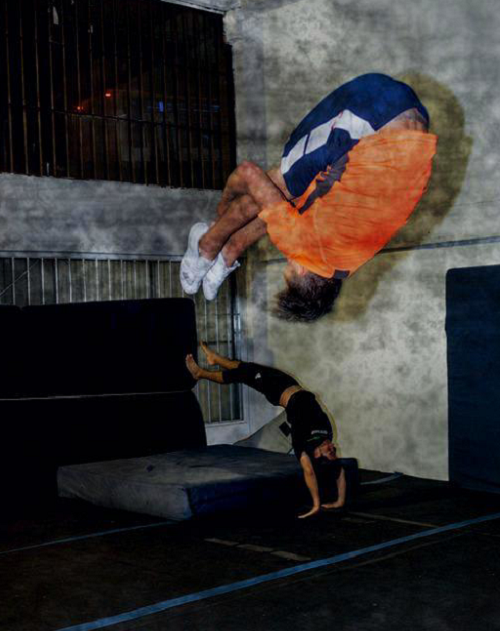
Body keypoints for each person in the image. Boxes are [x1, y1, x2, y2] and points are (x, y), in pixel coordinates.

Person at [180, 73, 437, 321]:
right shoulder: (301, 245)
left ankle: (230, 251)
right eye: (289, 268)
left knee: (292, 203)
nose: (287, 260)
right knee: (283, 183)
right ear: (302, 269)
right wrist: (222, 209)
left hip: (415, 123)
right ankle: (207, 242)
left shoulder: (347, 265)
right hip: (375, 109)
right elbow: (247, 172)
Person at [185, 342, 346, 519]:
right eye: (333, 450)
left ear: (316, 454)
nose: (332, 447)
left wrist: (315, 504)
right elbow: (339, 473)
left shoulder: (301, 441)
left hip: (278, 391)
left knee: (245, 374)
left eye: (329, 451)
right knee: (249, 369)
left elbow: (309, 472)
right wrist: (339, 501)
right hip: (290, 384)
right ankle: (215, 359)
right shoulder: (328, 434)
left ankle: (201, 373)